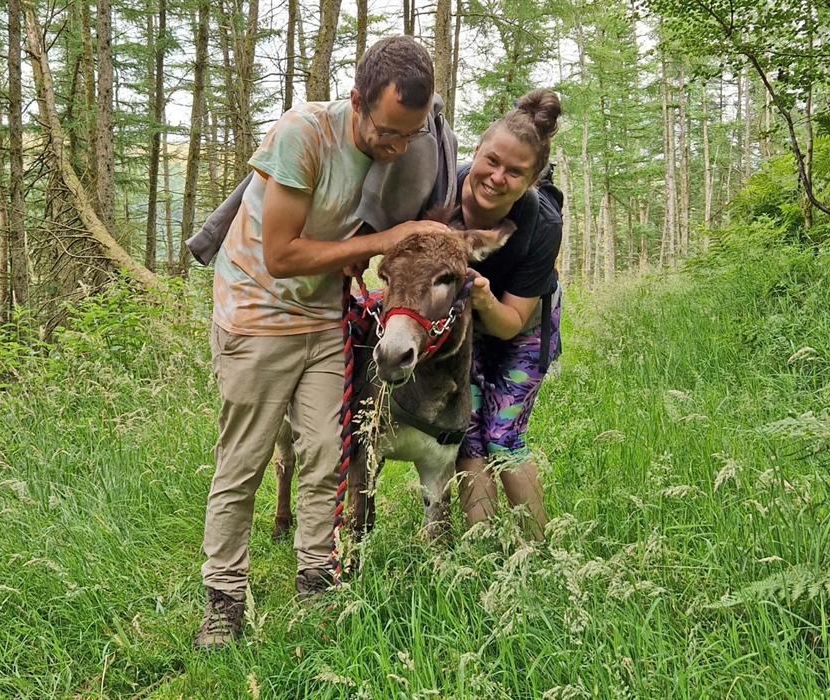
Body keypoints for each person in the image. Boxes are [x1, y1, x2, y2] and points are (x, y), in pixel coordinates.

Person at [195, 35, 453, 651]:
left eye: (408, 136)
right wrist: (384, 241)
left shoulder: (405, 148)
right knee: (245, 461)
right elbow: (281, 256)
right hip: (256, 314)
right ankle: (224, 601)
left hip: (320, 317)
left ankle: (317, 585)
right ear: (358, 100)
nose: (394, 148)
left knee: (324, 455)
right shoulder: (302, 133)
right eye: (387, 132)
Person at [454, 89, 563, 543]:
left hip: (523, 325)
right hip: (463, 325)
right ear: (476, 150)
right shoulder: (438, 193)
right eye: (492, 161)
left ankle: (535, 557)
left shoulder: (543, 224)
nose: (497, 177)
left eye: (515, 172)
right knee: (465, 433)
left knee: (502, 435)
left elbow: (512, 321)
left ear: (533, 178)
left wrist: (482, 299)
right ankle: (480, 559)